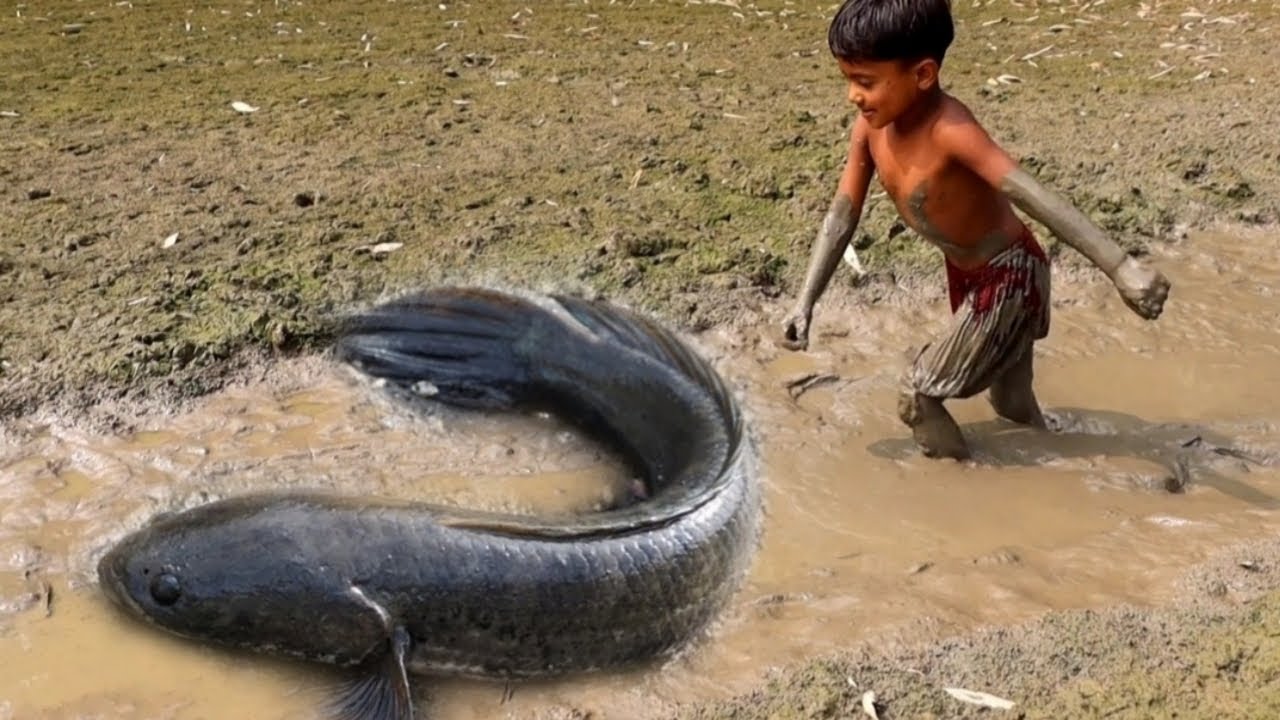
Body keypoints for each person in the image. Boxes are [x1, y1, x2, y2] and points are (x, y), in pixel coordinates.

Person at [779, 0, 1171, 461]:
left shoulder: (951, 131)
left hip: (1010, 275)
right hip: (967, 274)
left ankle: (963, 485)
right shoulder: (870, 130)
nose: (853, 96)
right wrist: (805, 302)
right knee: (1011, 402)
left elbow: (1031, 194)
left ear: (923, 75)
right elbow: (842, 215)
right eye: (848, 80)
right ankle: (1055, 463)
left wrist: (1121, 267)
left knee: (918, 393)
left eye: (865, 82)